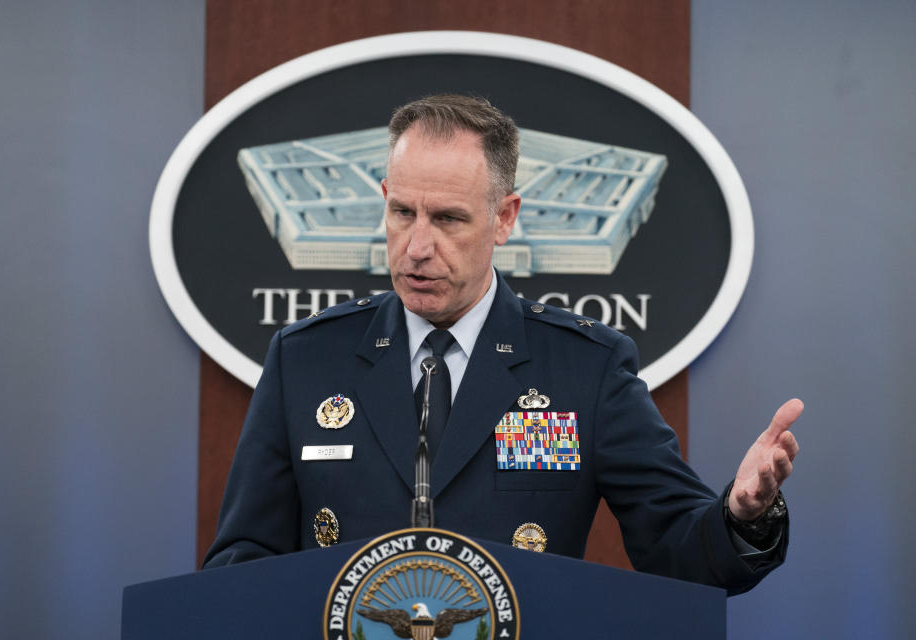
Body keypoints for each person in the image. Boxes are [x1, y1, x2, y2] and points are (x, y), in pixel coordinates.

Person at [203, 95, 801, 595]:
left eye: (448, 219)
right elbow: (242, 561)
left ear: (505, 217)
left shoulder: (585, 369)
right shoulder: (306, 358)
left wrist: (741, 516)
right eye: (401, 211)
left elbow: (680, 550)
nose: (416, 245)